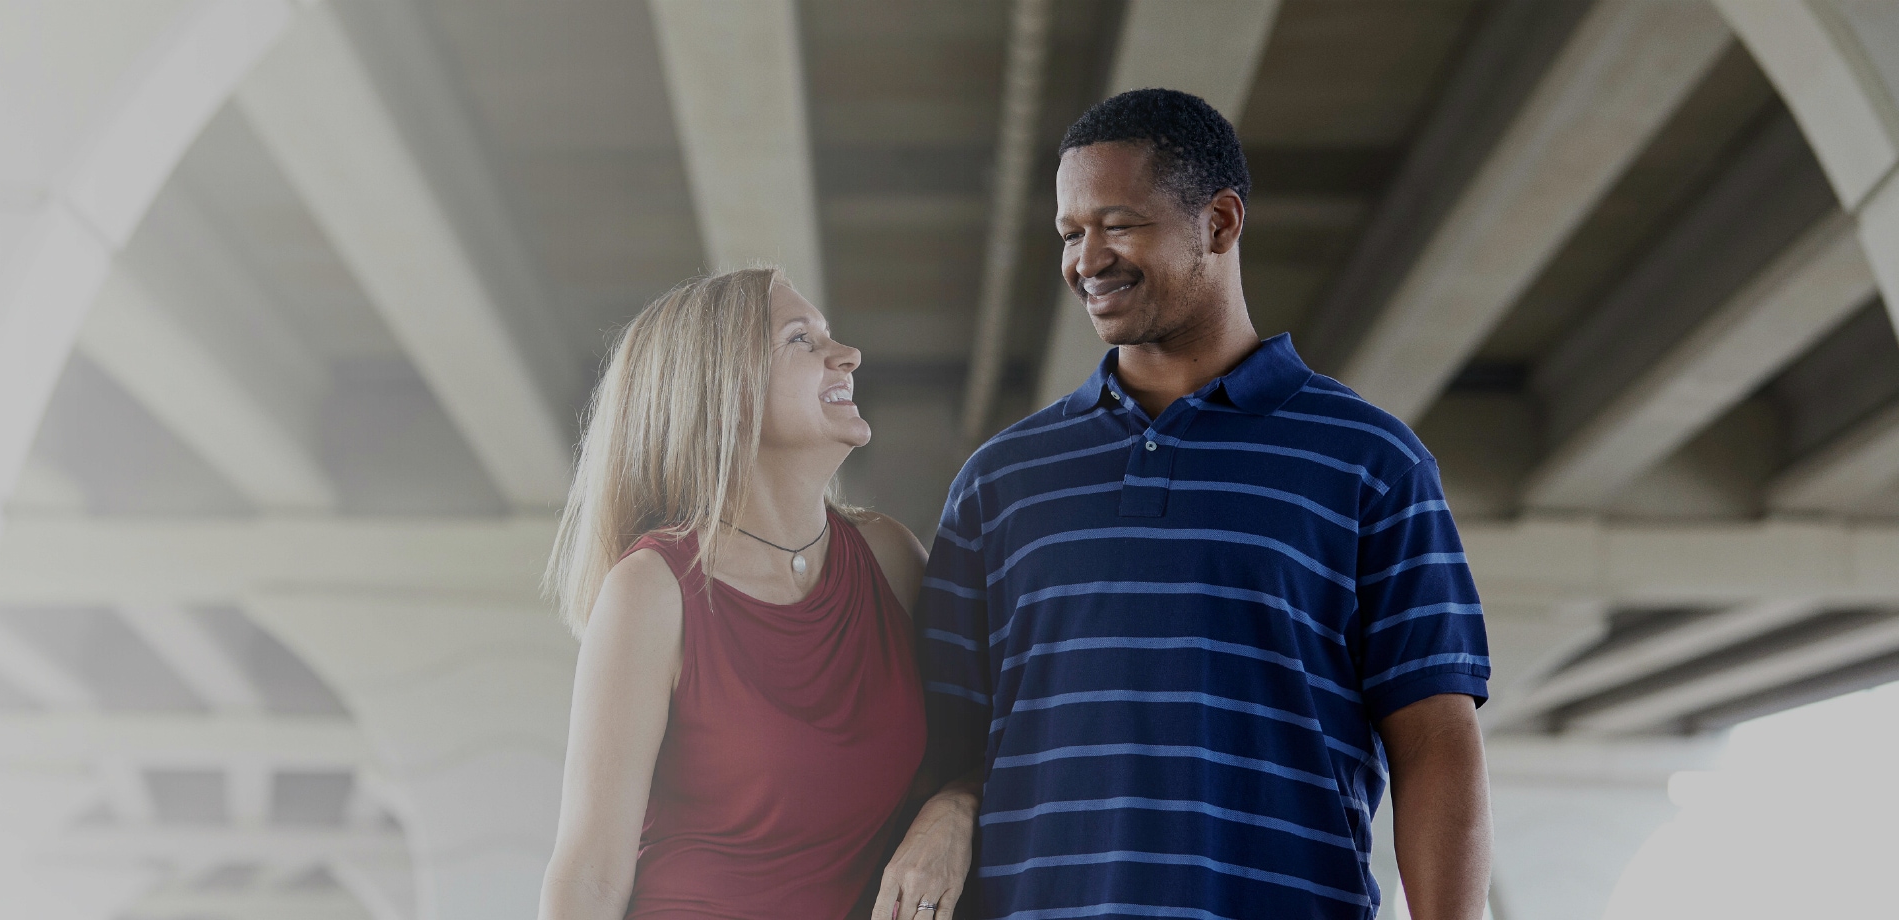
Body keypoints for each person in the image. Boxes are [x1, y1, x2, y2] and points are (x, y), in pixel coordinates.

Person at [881, 89, 1494, 920]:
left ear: (1221, 222)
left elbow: (1435, 742)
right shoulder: (1000, 482)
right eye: (1070, 232)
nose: (1086, 259)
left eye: (1119, 223)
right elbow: (947, 740)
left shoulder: (1372, 462)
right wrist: (953, 800)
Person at [538, 268, 933, 920]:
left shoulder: (889, 559)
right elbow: (588, 877)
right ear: (726, 390)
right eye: (801, 340)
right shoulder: (654, 589)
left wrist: (955, 807)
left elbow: (972, 754)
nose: (848, 355)